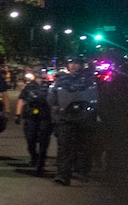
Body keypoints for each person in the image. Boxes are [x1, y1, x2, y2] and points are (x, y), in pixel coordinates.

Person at [48, 56, 99, 186]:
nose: (74, 66)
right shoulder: (60, 80)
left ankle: (82, 171)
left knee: (84, 146)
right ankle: (63, 174)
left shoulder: (89, 80)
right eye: (71, 63)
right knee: (64, 147)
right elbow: (52, 97)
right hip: (65, 117)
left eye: (77, 63)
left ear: (82, 65)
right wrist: (55, 111)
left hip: (84, 117)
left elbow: (96, 97)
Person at [15, 66, 52, 176]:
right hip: (31, 115)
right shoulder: (29, 87)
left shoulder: (49, 86)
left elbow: (55, 101)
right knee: (30, 139)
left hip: (45, 115)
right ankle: (33, 156)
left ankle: (41, 163)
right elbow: (21, 100)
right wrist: (18, 114)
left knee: (44, 140)